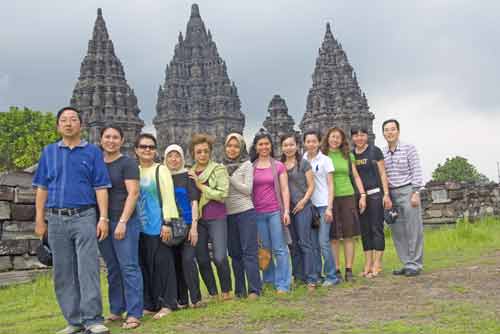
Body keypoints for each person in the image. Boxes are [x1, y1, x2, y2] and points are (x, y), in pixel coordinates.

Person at [33, 107, 111, 334]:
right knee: (63, 271)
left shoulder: (93, 153)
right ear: (58, 126)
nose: (68, 123)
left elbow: (101, 188)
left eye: (73, 120)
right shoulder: (49, 152)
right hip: (55, 218)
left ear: (81, 125)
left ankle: (93, 319)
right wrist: (39, 220)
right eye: (64, 120)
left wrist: (103, 217)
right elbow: (42, 188)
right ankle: (74, 321)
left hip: (85, 215)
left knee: (88, 268)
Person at [98, 126, 143, 329]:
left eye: (115, 137)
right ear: (100, 140)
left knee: (129, 266)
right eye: (107, 137)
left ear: (122, 140)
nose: (111, 140)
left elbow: (133, 193)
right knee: (112, 268)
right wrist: (102, 219)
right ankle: (116, 309)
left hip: (124, 220)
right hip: (103, 221)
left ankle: (134, 313)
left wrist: (123, 222)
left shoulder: (128, 163)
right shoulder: (96, 163)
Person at [135, 133, 179, 319]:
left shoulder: (160, 170)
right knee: (145, 265)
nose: (147, 150)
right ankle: (151, 303)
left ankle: (168, 303)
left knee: (163, 264)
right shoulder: (133, 170)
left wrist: (167, 222)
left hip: (158, 225)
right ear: (136, 150)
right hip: (139, 226)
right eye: (143, 146)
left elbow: (168, 196)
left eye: (151, 147)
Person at [189, 134, 232, 300]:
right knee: (202, 258)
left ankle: (227, 290)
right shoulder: (190, 173)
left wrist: (200, 186)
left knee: (220, 257)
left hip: (217, 217)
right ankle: (213, 292)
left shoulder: (218, 169)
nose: (202, 155)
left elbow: (223, 194)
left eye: (206, 151)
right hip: (199, 220)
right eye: (198, 152)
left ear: (211, 152)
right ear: (193, 154)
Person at [321, 127, 366, 282]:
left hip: (347, 196)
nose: (335, 140)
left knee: (349, 235)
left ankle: (349, 269)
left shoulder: (348, 155)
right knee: (333, 237)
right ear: (327, 138)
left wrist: (362, 195)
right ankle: (337, 269)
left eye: (338, 138)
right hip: (329, 199)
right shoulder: (322, 156)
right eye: (332, 137)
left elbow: (356, 176)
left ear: (342, 140)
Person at [250, 130, 292, 294]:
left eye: (266, 143)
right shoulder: (251, 167)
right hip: (258, 213)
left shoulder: (278, 166)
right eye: (261, 144)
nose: (264, 147)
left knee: (279, 249)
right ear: (256, 147)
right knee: (265, 249)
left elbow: (285, 189)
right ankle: (269, 280)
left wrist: (286, 211)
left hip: (275, 211)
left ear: (271, 146)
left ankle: (283, 283)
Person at [382, 119, 425, 277]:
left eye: (393, 129)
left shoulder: (409, 148)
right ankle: (407, 262)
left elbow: (416, 170)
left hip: (408, 190)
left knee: (414, 228)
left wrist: (416, 192)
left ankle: (416, 263)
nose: (390, 132)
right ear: (383, 133)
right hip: (391, 193)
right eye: (386, 130)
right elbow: (382, 175)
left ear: (398, 131)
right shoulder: (383, 152)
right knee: (397, 230)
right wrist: (385, 195)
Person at [223, 133, 262, 299]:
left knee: (249, 252)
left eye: (236, 146)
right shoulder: (220, 166)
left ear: (241, 148)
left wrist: (230, 179)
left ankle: (254, 289)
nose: (232, 149)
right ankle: (240, 291)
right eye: (229, 146)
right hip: (228, 214)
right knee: (234, 253)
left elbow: (248, 190)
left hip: (245, 212)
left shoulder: (247, 165)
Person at [164, 144, 203, 308]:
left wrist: (194, 226)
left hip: (187, 223)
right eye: (170, 156)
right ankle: (182, 300)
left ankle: (196, 298)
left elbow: (194, 202)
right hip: (170, 225)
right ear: (165, 158)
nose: (174, 159)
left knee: (188, 260)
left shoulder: (187, 175)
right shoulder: (162, 175)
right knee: (175, 263)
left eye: (177, 155)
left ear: (182, 157)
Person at [351, 126, 392, 278]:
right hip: (360, 198)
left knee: (376, 228)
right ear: (352, 138)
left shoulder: (375, 151)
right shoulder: (351, 155)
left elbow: (382, 173)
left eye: (362, 135)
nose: (359, 138)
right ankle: (367, 264)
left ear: (367, 136)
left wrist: (386, 194)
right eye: (356, 135)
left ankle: (377, 264)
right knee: (365, 230)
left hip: (375, 194)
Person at [280, 133, 318, 291]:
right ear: (281, 148)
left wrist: (303, 202)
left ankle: (311, 278)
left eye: (291, 145)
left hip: (303, 207)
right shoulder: (280, 165)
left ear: (296, 146)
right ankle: (299, 276)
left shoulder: (303, 163)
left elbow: (311, 185)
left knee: (305, 242)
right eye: (285, 145)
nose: (288, 148)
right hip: (288, 208)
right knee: (293, 244)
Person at [303, 130, 340, 287]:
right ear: (304, 143)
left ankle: (332, 276)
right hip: (309, 206)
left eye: (314, 141)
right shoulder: (302, 159)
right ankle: (317, 274)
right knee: (313, 243)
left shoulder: (325, 160)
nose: (311, 144)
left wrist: (330, 208)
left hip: (323, 204)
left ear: (319, 143)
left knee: (323, 241)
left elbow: (331, 185)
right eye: (308, 141)